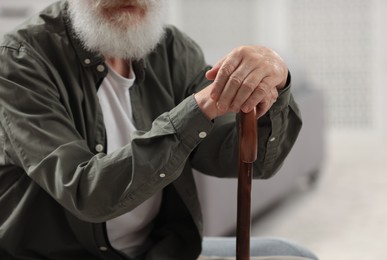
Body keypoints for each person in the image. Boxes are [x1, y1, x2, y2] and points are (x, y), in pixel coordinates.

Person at [0, 0, 317, 259]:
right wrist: (202, 106)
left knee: (291, 255)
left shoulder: (172, 49)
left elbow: (248, 161)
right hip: (58, 255)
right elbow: (87, 192)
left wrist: (275, 76)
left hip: (156, 251)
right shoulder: (20, 60)